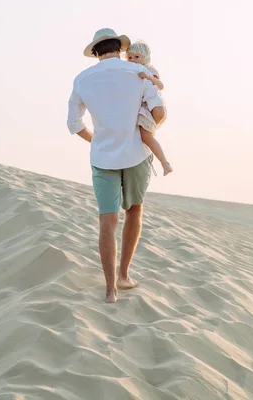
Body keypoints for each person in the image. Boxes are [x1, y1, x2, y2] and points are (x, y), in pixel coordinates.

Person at [67, 28, 165, 303]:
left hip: (102, 158)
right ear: (120, 50)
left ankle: (110, 291)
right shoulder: (137, 72)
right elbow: (158, 110)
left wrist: (97, 141)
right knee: (134, 211)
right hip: (136, 153)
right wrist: (148, 132)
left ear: (96, 53)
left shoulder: (82, 79)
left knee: (107, 221)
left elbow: (74, 124)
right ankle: (123, 275)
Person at [126, 41, 173, 176]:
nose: (133, 60)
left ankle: (165, 163)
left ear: (145, 57)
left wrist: (148, 77)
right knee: (146, 138)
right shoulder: (132, 73)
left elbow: (161, 86)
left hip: (154, 107)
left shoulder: (149, 71)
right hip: (150, 108)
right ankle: (163, 164)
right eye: (130, 57)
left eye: (137, 57)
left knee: (147, 138)